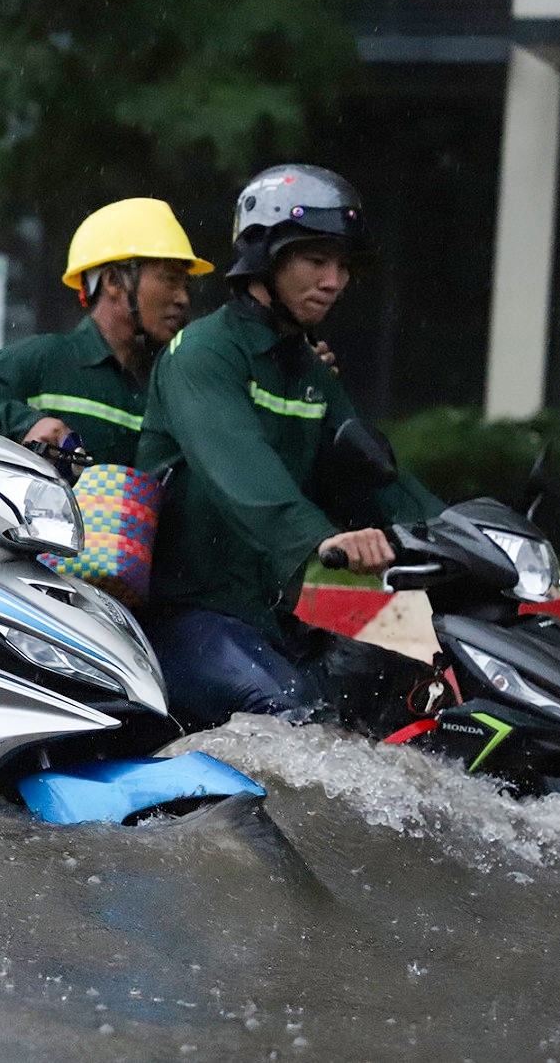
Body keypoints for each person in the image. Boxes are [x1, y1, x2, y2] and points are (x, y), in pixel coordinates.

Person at [136, 165, 443, 729]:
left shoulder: (309, 371)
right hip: (182, 622)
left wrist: (464, 536)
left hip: (269, 624)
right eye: (316, 260)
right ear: (263, 256)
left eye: (344, 265)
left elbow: (373, 477)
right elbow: (243, 474)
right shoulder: (203, 353)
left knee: (419, 702)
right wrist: (325, 538)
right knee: (297, 726)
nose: (335, 280)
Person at [0, 198, 210, 465]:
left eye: (185, 285)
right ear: (113, 281)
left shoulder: (175, 382)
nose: (182, 298)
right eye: (170, 280)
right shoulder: (47, 360)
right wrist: (26, 424)